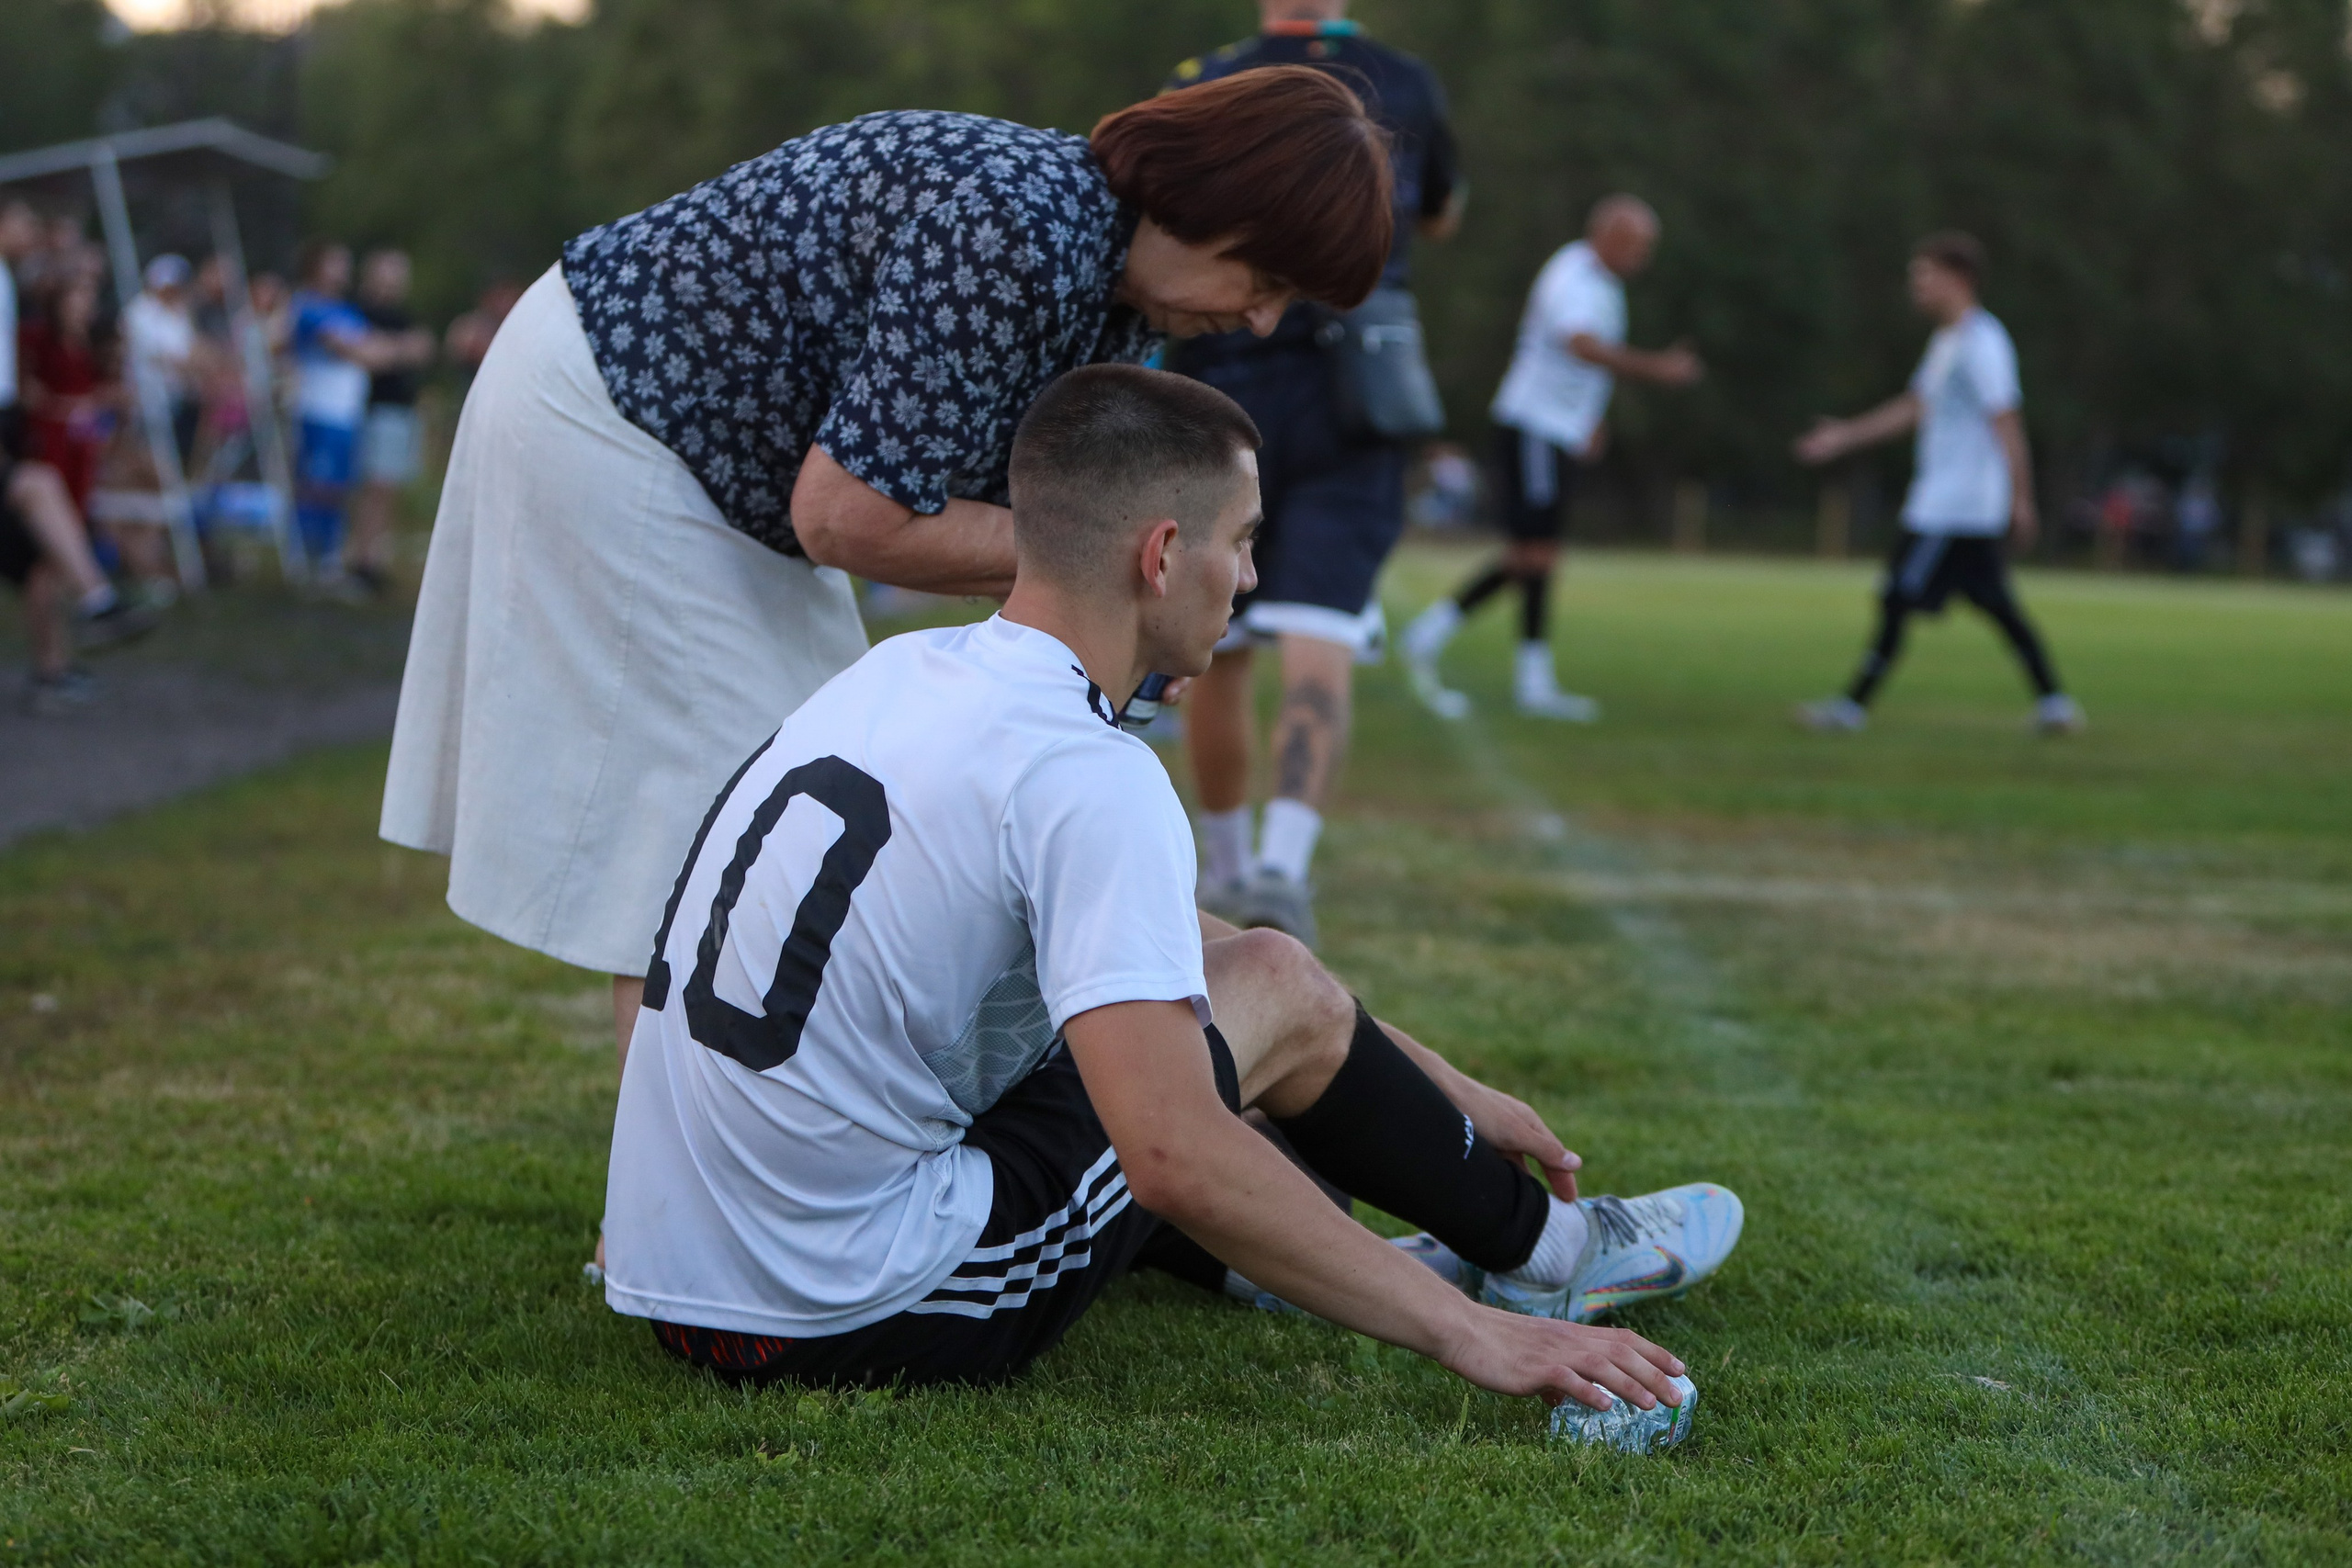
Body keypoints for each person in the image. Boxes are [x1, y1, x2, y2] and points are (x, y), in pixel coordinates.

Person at [602, 363, 1741, 1432]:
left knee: (1218, 991)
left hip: (678, 1274)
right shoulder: (1087, 771)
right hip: (836, 1313)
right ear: (1159, 555)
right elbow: (1173, 1152)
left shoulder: (901, 674)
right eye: (1242, 543)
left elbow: (1151, 941)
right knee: (1244, 1007)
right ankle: (1550, 1259)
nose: (1249, 577)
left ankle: (1320, 1259)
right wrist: (1472, 1341)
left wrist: (1436, 1081)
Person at [381, 70, 1399, 1081]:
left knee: (814, 798)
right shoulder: (1016, 230)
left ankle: (753, 1178)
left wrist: (1131, 609)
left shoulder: (1110, 289)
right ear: (1214, 207)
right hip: (622, 417)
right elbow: (848, 517)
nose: (1264, 322)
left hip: (731, 472)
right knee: (722, 824)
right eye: (1266, 283)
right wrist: (1109, 563)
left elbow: (1001, 510)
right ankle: (659, 1232)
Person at [1163, 0, 1464, 946]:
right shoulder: (1401, 79)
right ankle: (1284, 874)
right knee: (1320, 633)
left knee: (1217, 639)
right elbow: (1439, 214)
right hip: (1352, 383)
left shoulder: (1201, 76)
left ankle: (1225, 868)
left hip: (1222, 373)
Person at [1402, 195, 1703, 721]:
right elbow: (1579, 345)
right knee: (1536, 553)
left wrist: (1588, 421)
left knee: (1532, 554)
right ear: (1608, 236)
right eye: (1640, 244)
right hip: (1533, 428)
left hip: (1554, 431)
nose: (1645, 256)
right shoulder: (1574, 275)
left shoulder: (1603, 284)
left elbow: (1580, 366)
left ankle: (1444, 638)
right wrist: (1656, 368)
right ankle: (1521, 675)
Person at [1792, 231, 2083, 735]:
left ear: (1961, 280)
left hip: (1955, 505)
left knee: (1896, 598)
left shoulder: (1983, 343)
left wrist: (2023, 498)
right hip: (1946, 501)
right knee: (1995, 604)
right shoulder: (1947, 341)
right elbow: (1914, 407)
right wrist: (1845, 436)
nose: (1917, 287)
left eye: (1926, 276)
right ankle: (2054, 703)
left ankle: (1851, 708)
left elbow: (2007, 421)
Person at [1, 200, 160, 712]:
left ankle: (60, 660)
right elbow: (30, 387)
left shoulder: (14, 285)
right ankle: (97, 601)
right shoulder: (38, 332)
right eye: (21, 219)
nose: (30, 230)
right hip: (36, 441)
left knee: (42, 558)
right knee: (38, 499)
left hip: (36, 440)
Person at [347, 248, 436, 596]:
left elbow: (424, 348)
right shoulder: (359, 312)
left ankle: (372, 557)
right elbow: (370, 354)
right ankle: (359, 559)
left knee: (388, 489)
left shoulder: (403, 316)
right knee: (373, 487)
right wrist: (400, 351)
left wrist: (390, 350)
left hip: (400, 410)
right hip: (373, 409)